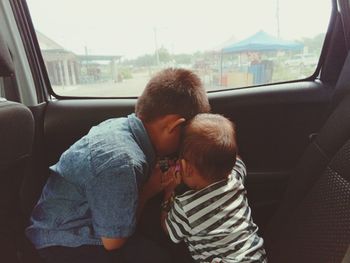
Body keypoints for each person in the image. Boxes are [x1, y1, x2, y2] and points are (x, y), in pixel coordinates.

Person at [25, 68, 210, 263]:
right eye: (185, 139)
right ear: (173, 126)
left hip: (67, 221)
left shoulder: (121, 127)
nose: (184, 147)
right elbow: (113, 241)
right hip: (64, 241)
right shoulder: (122, 162)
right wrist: (149, 189)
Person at [161, 113, 267, 263]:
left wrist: (169, 191)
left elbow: (169, 230)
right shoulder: (235, 180)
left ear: (187, 168)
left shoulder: (185, 207)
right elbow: (238, 160)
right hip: (256, 258)